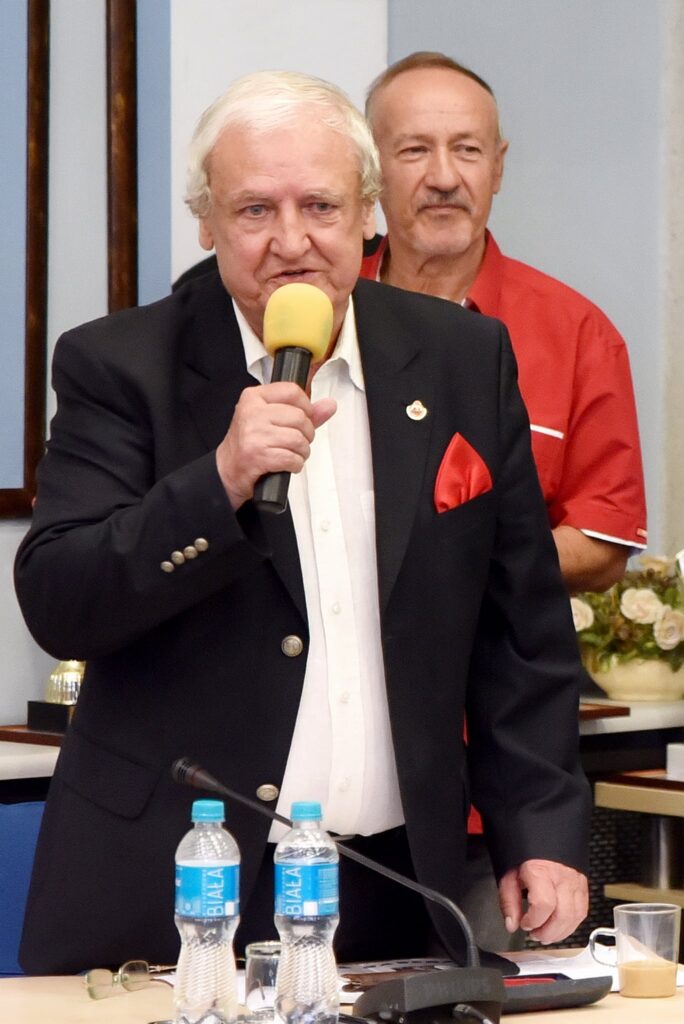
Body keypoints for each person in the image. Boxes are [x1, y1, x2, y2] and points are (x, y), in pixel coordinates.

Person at [15, 70, 591, 976]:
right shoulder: (118, 364)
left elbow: (519, 629)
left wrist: (542, 829)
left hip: (392, 881)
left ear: (368, 212)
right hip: (185, 887)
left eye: (320, 206)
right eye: (255, 210)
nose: (291, 241)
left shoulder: (461, 357)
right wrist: (220, 481)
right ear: (207, 223)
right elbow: (62, 600)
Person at [362, 51, 648, 950]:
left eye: (467, 149)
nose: (444, 177)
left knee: (487, 991)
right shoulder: (311, 315)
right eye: (414, 150)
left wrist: (443, 556)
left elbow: (603, 540)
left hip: (496, 789)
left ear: (499, 165)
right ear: (370, 169)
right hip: (331, 780)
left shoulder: (577, 332)